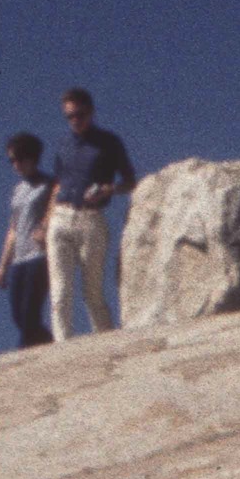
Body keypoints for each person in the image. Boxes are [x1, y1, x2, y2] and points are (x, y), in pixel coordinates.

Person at [46, 86, 135, 338]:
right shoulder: (63, 143)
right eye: (70, 116)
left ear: (91, 112)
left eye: (80, 115)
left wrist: (108, 189)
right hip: (61, 217)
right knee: (60, 292)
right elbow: (57, 184)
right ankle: (62, 350)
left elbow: (131, 181)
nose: (75, 121)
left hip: (91, 218)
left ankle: (107, 343)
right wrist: (45, 222)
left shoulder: (109, 142)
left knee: (92, 292)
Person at [0, 133, 54, 347]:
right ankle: (50, 343)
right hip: (19, 258)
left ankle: (26, 355)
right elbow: (13, 228)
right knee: (19, 315)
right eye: (11, 160)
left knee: (30, 313)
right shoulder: (17, 191)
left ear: (32, 158)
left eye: (19, 159)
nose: (15, 164)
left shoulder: (49, 185)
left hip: (40, 256)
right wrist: (3, 265)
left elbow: (57, 211)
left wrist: (45, 227)